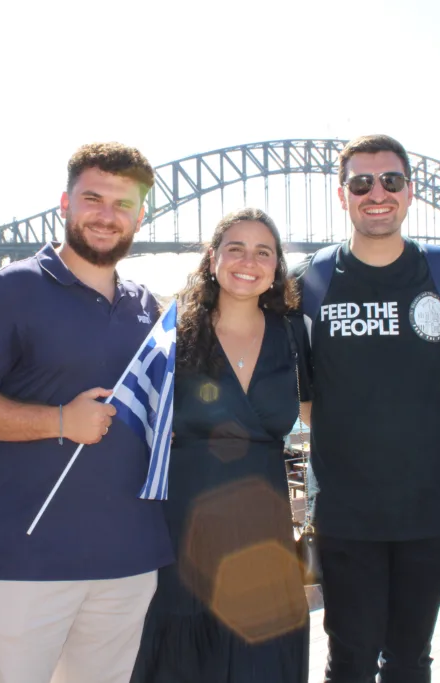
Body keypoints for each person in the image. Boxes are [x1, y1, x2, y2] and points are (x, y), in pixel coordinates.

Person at [0, 142, 172, 683]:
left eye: (123, 204)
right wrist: (58, 421)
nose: (106, 215)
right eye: (93, 198)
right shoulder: (9, 289)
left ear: (140, 216)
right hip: (28, 561)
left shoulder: (147, 306)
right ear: (65, 203)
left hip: (129, 556)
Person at [291, 134, 440, 682]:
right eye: (361, 183)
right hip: (348, 516)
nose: (377, 193)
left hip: (434, 512)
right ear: (341, 195)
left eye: (391, 181)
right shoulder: (310, 282)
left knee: (409, 658)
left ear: (410, 191)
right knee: (350, 660)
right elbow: (305, 399)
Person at [131, 208, 311, 683]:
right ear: (212, 259)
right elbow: (133, 419)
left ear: (276, 266)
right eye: (235, 249)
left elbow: (322, 410)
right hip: (185, 527)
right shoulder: (172, 332)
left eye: (263, 252)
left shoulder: (293, 333)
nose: (248, 262)